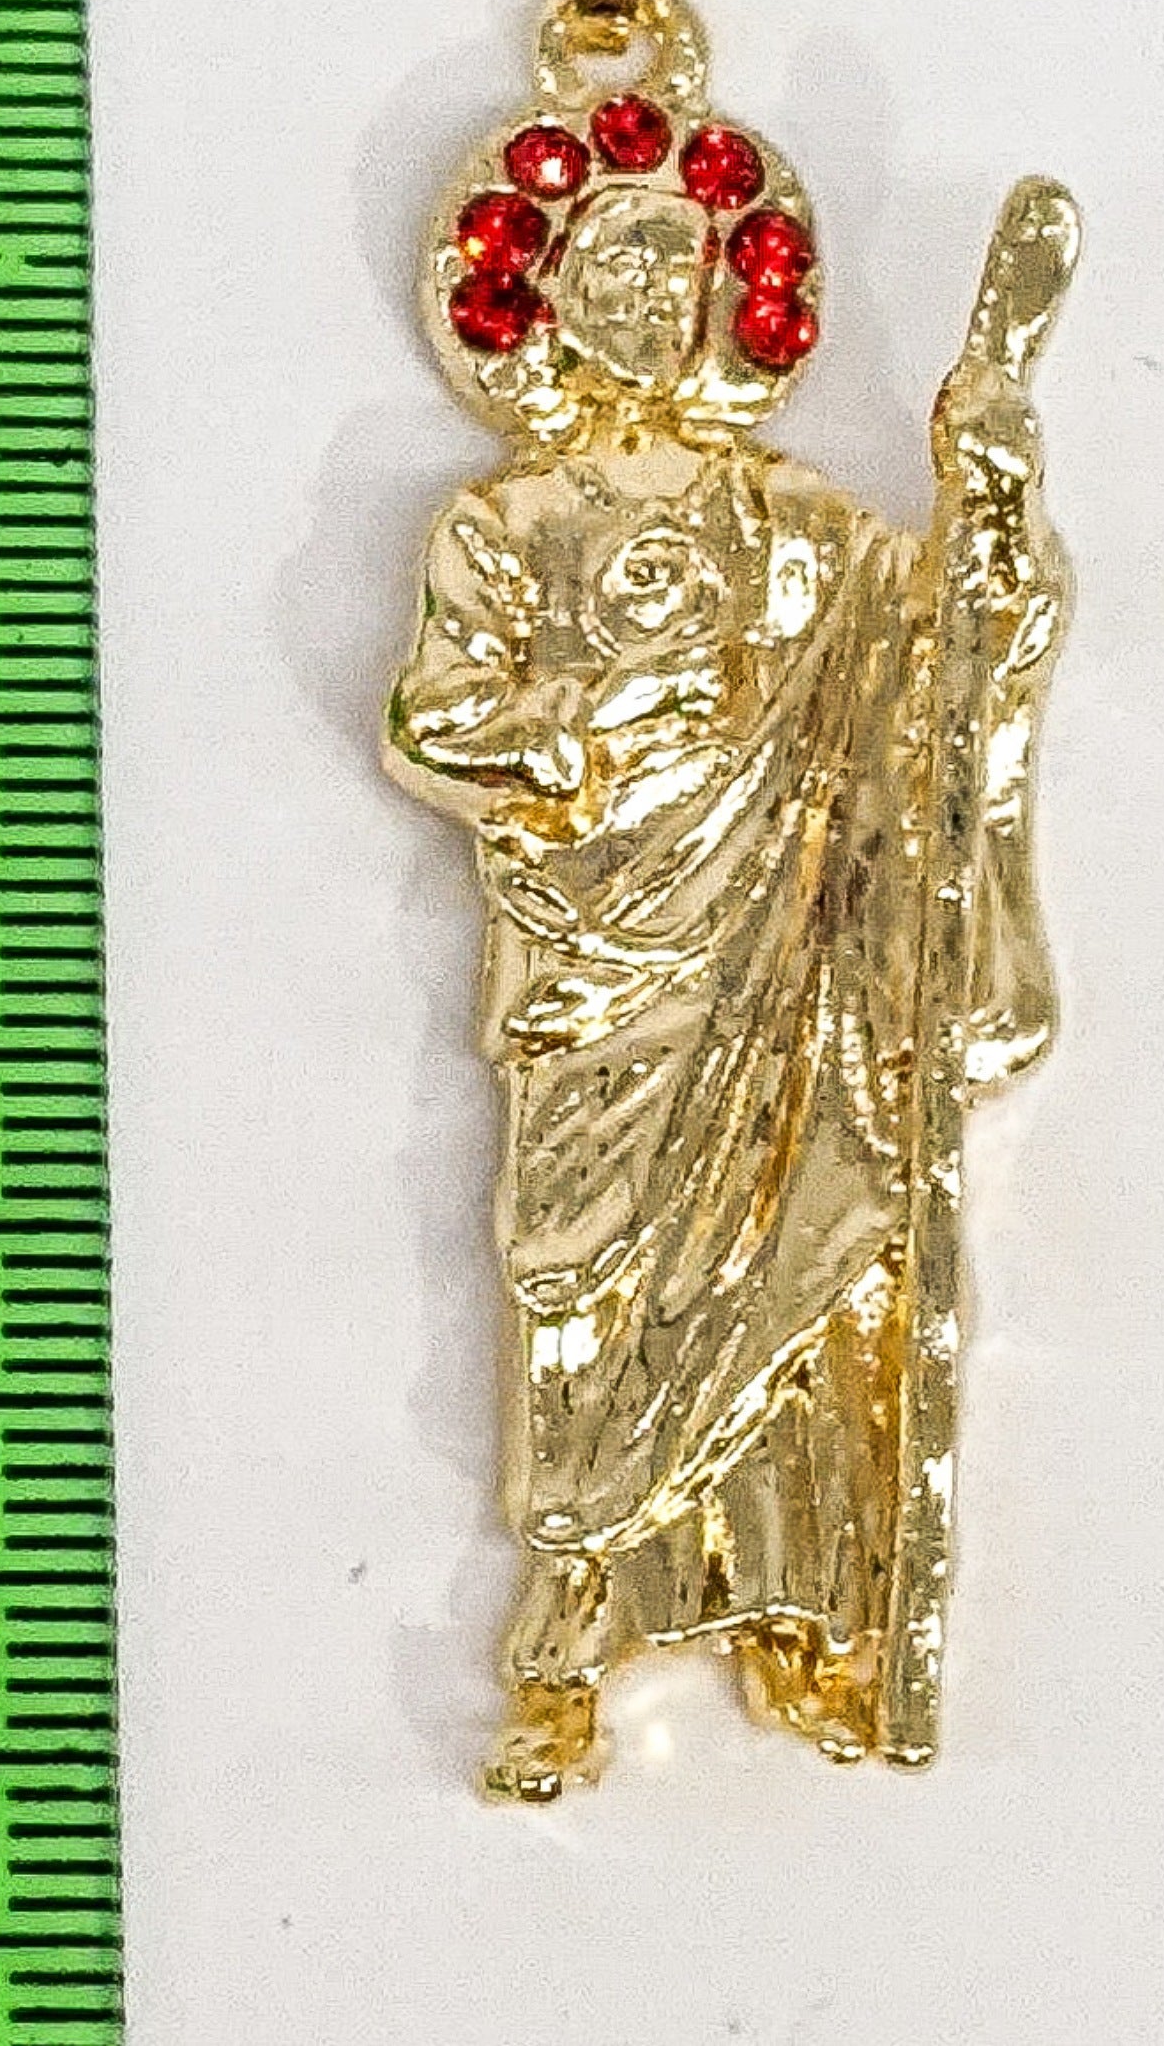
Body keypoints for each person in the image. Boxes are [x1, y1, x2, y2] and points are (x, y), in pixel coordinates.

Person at [387, 97, 1070, 1798]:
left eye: (667, 271)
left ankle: (793, 1604)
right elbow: (433, 721)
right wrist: (597, 736)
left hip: (792, 957)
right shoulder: (504, 523)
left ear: (717, 298)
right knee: (590, 1273)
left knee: (803, 1246)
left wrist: (993, 519)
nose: (639, 301)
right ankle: (568, 1647)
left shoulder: (798, 526)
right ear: (544, 302)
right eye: (606, 273)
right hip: (605, 969)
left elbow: (941, 664)